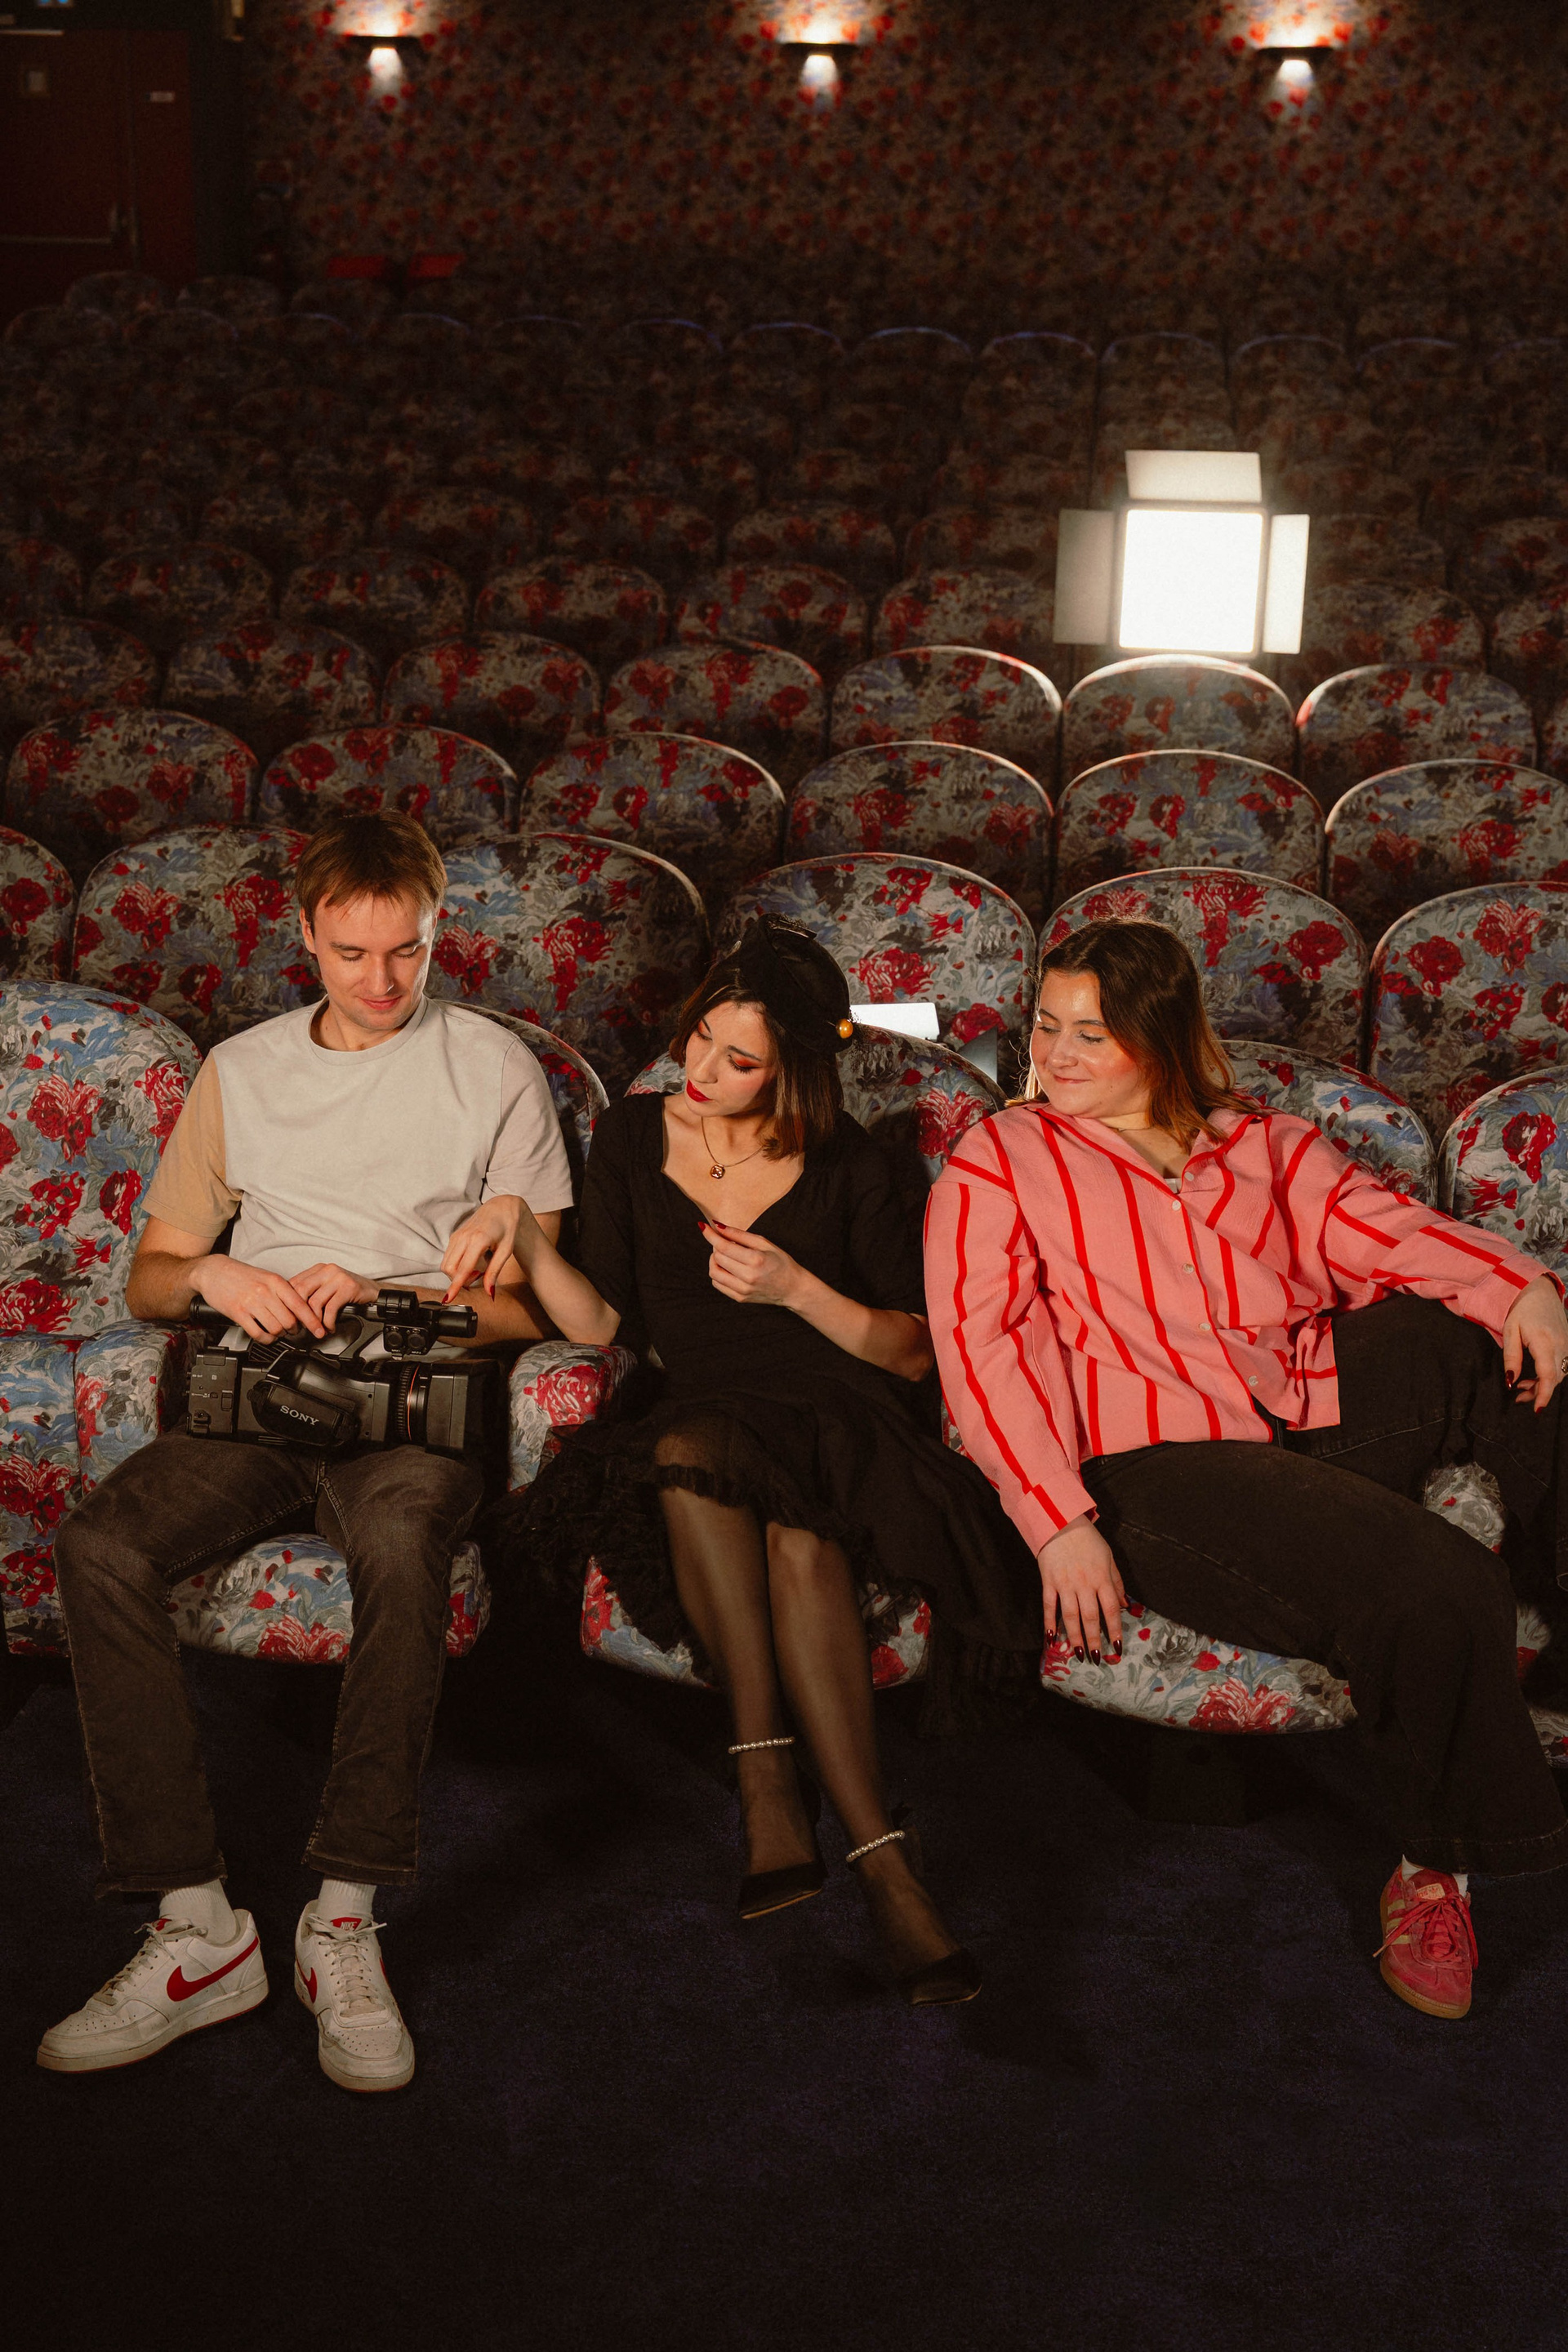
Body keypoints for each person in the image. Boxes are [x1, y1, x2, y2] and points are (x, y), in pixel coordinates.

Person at [924, 915, 1568, 2021]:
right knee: (1439, 1582)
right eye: (1048, 1025)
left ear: (1162, 1040)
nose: (1057, 1054)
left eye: (1092, 1034)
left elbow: (1385, 1229)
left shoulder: (1259, 1141)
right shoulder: (1005, 1157)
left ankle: (1558, 1654)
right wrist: (1056, 1521)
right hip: (1154, 1460)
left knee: (1494, 1341)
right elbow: (980, 1352)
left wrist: (1525, 1286)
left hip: (1289, 1403)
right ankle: (1435, 1870)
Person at [39, 810, 575, 2090]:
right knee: (100, 1546)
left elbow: (536, 1308)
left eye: (407, 950)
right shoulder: (243, 1069)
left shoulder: (498, 1065)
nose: (381, 981)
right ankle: (197, 1926)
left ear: (440, 930)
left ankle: (342, 1918)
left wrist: (396, 1298)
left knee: (400, 1544)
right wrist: (220, 1274)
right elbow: (152, 1277)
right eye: (350, 953)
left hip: (413, 1398)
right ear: (303, 937)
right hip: (263, 1388)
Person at [470, 917, 1040, 2005]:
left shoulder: (854, 1162)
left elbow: (910, 1351)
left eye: (740, 1061)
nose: (701, 1070)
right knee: (735, 1485)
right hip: (710, 1410)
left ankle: (787, 1792)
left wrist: (796, 1290)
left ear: (794, 1071)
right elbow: (602, 1326)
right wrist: (528, 1236)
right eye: (700, 1039)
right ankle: (874, 1856)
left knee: (765, 1506)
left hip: (839, 1415)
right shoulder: (633, 1136)